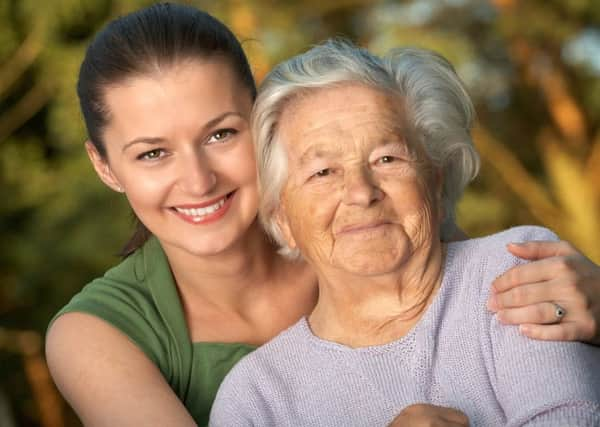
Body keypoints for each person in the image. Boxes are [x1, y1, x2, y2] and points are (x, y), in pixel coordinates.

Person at [44, 3, 600, 426]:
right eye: (152, 153)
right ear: (106, 166)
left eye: (221, 133)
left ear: (265, 128)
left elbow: (473, 307)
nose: (197, 180)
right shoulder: (97, 338)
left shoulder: (375, 234)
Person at [209, 39, 600, 426]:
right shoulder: (257, 398)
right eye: (323, 172)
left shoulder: (513, 269)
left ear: (436, 181)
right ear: (282, 222)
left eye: (387, 158)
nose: (361, 192)